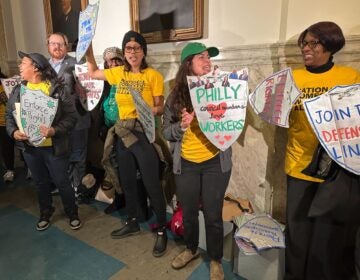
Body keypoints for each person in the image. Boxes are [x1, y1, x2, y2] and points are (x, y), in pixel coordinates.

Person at [284, 21, 360, 280]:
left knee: (326, 238)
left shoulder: (350, 77)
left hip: (337, 172)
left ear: (330, 44)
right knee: (297, 233)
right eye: (304, 43)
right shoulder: (292, 78)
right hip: (298, 165)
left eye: (313, 43)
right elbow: (280, 117)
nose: (306, 48)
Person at [85, 30, 168, 257]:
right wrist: (88, 47)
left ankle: (162, 230)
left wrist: (151, 110)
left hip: (142, 133)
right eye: (128, 48)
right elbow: (92, 72)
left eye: (137, 48)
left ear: (143, 52)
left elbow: (160, 107)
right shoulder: (118, 74)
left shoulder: (153, 76)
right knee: (128, 181)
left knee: (152, 184)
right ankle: (132, 220)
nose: (132, 52)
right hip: (122, 132)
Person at [163, 42, 232, 280]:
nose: (207, 61)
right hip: (187, 164)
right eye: (201, 57)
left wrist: (229, 90)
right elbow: (166, 132)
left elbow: (235, 115)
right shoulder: (175, 96)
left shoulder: (221, 87)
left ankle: (215, 259)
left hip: (215, 163)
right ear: (188, 64)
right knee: (189, 212)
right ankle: (191, 249)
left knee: (213, 214)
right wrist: (181, 126)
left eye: (208, 57)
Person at [6, 51, 81, 231]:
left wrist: (54, 130)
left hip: (54, 148)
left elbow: (71, 117)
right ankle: (45, 212)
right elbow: (9, 116)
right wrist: (14, 132)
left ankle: (72, 213)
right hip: (30, 148)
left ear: (36, 68)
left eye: (23, 63)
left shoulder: (56, 89)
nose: (20, 66)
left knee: (62, 181)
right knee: (40, 182)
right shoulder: (18, 90)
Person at [47, 32, 91, 201]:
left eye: (60, 44)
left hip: (77, 118)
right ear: (48, 45)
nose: (57, 47)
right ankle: (65, 187)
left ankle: (77, 188)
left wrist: (83, 91)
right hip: (55, 122)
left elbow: (89, 91)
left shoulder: (77, 64)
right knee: (60, 156)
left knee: (78, 155)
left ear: (66, 46)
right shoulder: (42, 66)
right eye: (53, 44)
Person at [0, 69, 15, 182]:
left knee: (23, 146)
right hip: (1, 123)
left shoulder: (7, 83)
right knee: (6, 148)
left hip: (13, 120)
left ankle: (29, 168)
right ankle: (10, 169)